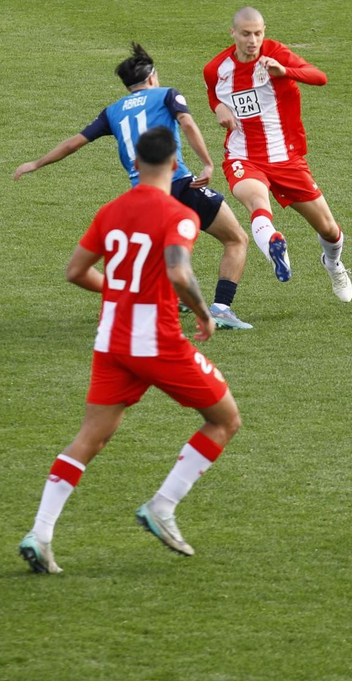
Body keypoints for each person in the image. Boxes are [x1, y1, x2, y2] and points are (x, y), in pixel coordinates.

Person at [19, 126, 242, 575]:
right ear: (175, 163)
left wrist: (118, 293)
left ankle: (40, 534)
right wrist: (202, 311)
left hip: (111, 342)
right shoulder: (179, 214)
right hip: (156, 342)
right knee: (225, 420)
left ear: (135, 165)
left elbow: (76, 271)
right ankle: (162, 506)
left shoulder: (111, 210)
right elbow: (179, 272)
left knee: (90, 439)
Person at [14, 42, 256, 330]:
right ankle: (221, 308)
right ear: (152, 76)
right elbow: (188, 124)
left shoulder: (112, 111)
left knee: (162, 244)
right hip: (179, 183)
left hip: (143, 194)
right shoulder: (166, 94)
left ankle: (166, 296)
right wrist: (207, 163)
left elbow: (73, 143)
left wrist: (36, 163)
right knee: (235, 238)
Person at [203, 6, 352, 302]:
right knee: (258, 202)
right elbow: (213, 92)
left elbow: (319, 77)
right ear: (232, 33)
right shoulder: (216, 69)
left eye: (258, 33)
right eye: (246, 34)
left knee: (329, 229)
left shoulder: (276, 54)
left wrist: (285, 72)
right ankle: (275, 246)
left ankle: (333, 263)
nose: (252, 40)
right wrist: (217, 107)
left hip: (287, 158)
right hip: (242, 155)